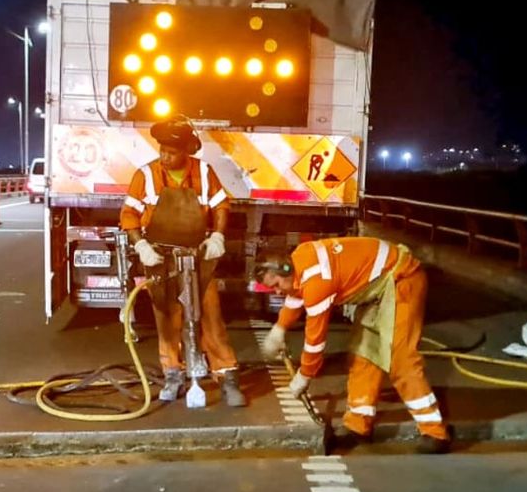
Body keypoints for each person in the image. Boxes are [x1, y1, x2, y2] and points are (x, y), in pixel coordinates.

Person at [256, 237, 451, 453]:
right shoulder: (300, 260)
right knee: (363, 355)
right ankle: (358, 426)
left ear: (285, 270)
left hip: (402, 280)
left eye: (276, 286)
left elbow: (315, 341)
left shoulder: (318, 281)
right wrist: (280, 327)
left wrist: (305, 375)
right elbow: (296, 293)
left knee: (401, 360)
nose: (276, 292)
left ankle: (435, 432)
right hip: (380, 287)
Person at [120, 118, 244, 406]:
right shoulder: (146, 175)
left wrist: (217, 237)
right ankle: (173, 373)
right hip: (160, 258)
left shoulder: (203, 171)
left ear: (186, 151)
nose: (165, 156)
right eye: (162, 150)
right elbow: (129, 215)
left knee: (210, 316)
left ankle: (226, 375)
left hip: (198, 255)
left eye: (172, 152)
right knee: (167, 319)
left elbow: (221, 205)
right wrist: (140, 245)